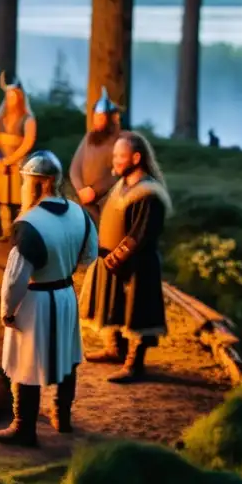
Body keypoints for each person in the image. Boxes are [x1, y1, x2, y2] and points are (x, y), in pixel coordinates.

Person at [0, 151, 97, 447]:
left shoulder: (29, 223)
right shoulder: (79, 213)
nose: (23, 187)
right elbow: (89, 256)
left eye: (27, 181)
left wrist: (8, 311)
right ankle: (62, 416)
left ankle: (24, 428)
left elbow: (16, 278)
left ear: (42, 183)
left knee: (27, 362)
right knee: (66, 354)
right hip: (64, 295)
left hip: (35, 301)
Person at [79, 131, 171, 383]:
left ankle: (134, 363)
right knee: (114, 306)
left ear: (137, 157)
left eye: (121, 156)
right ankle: (115, 350)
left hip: (136, 265)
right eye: (115, 155)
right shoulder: (123, 184)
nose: (115, 161)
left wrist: (115, 258)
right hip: (114, 262)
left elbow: (141, 234)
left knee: (135, 312)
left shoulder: (148, 193)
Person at [0, 72, 37, 241]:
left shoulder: (28, 119)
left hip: (19, 165)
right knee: (3, 200)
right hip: (1, 166)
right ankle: (5, 231)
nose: (10, 99)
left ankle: (19, 232)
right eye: (8, 96)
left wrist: (10, 160)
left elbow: (28, 143)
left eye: (13, 96)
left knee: (19, 201)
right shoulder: (0, 118)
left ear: (20, 97)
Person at [69, 86, 121, 223]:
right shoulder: (89, 138)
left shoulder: (117, 141)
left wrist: (94, 191)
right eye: (96, 117)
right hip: (83, 198)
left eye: (102, 117)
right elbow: (75, 167)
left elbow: (116, 174)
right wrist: (81, 189)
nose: (98, 120)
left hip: (105, 200)